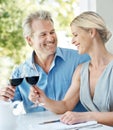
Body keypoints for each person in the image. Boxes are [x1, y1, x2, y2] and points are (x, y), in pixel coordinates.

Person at [29, 11, 113, 126]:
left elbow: (86, 115)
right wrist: (43, 99)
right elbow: (65, 105)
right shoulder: (81, 70)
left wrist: (86, 116)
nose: (73, 41)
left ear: (91, 32)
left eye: (76, 35)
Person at [0, 10, 90, 113]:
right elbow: (8, 107)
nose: (50, 38)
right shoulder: (20, 73)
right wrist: (3, 99)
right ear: (29, 40)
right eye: (43, 34)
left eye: (52, 32)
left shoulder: (80, 59)